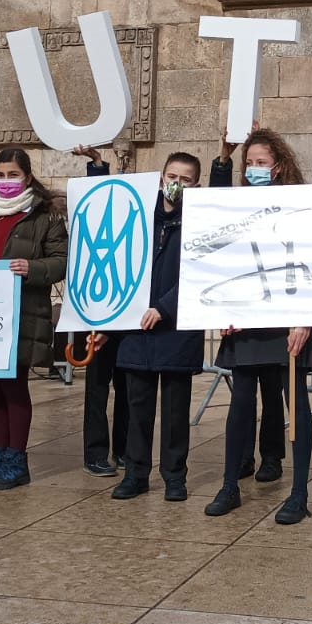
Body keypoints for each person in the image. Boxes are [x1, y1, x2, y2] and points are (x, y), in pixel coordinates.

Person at [204, 127, 312, 526]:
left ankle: (299, 493)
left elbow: (310, 262)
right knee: (239, 404)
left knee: (296, 404)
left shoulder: (299, 207)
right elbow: (216, 241)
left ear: (278, 167)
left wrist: (304, 318)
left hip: (290, 319)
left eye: (260, 163)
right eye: (248, 163)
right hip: (247, 319)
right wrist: (222, 308)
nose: (253, 169)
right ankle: (229, 485)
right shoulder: (237, 208)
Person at [0, 149, 67, 492]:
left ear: (27, 176)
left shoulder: (44, 214)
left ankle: (16, 460)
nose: (6, 181)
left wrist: (32, 268)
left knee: (14, 386)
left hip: (22, 311)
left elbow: (62, 261)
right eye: (1, 174)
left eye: (13, 174)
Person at [113, 151, 205, 501]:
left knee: (175, 410)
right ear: (161, 177)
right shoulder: (140, 218)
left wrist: (164, 308)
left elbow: (198, 271)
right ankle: (135, 473)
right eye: (171, 176)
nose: (176, 185)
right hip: (137, 327)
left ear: (195, 185)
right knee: (137, 407)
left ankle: (174, 476)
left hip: (176, 328)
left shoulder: (198, 221)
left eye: (184, 180)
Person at [71, 143, 129, 477]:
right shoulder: (96, 224)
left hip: (127, 316)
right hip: (96, 314)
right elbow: (97, 198)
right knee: (96, 387)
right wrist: (96, 164)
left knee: (126, 387)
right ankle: (95, 452)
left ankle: (122, 449)